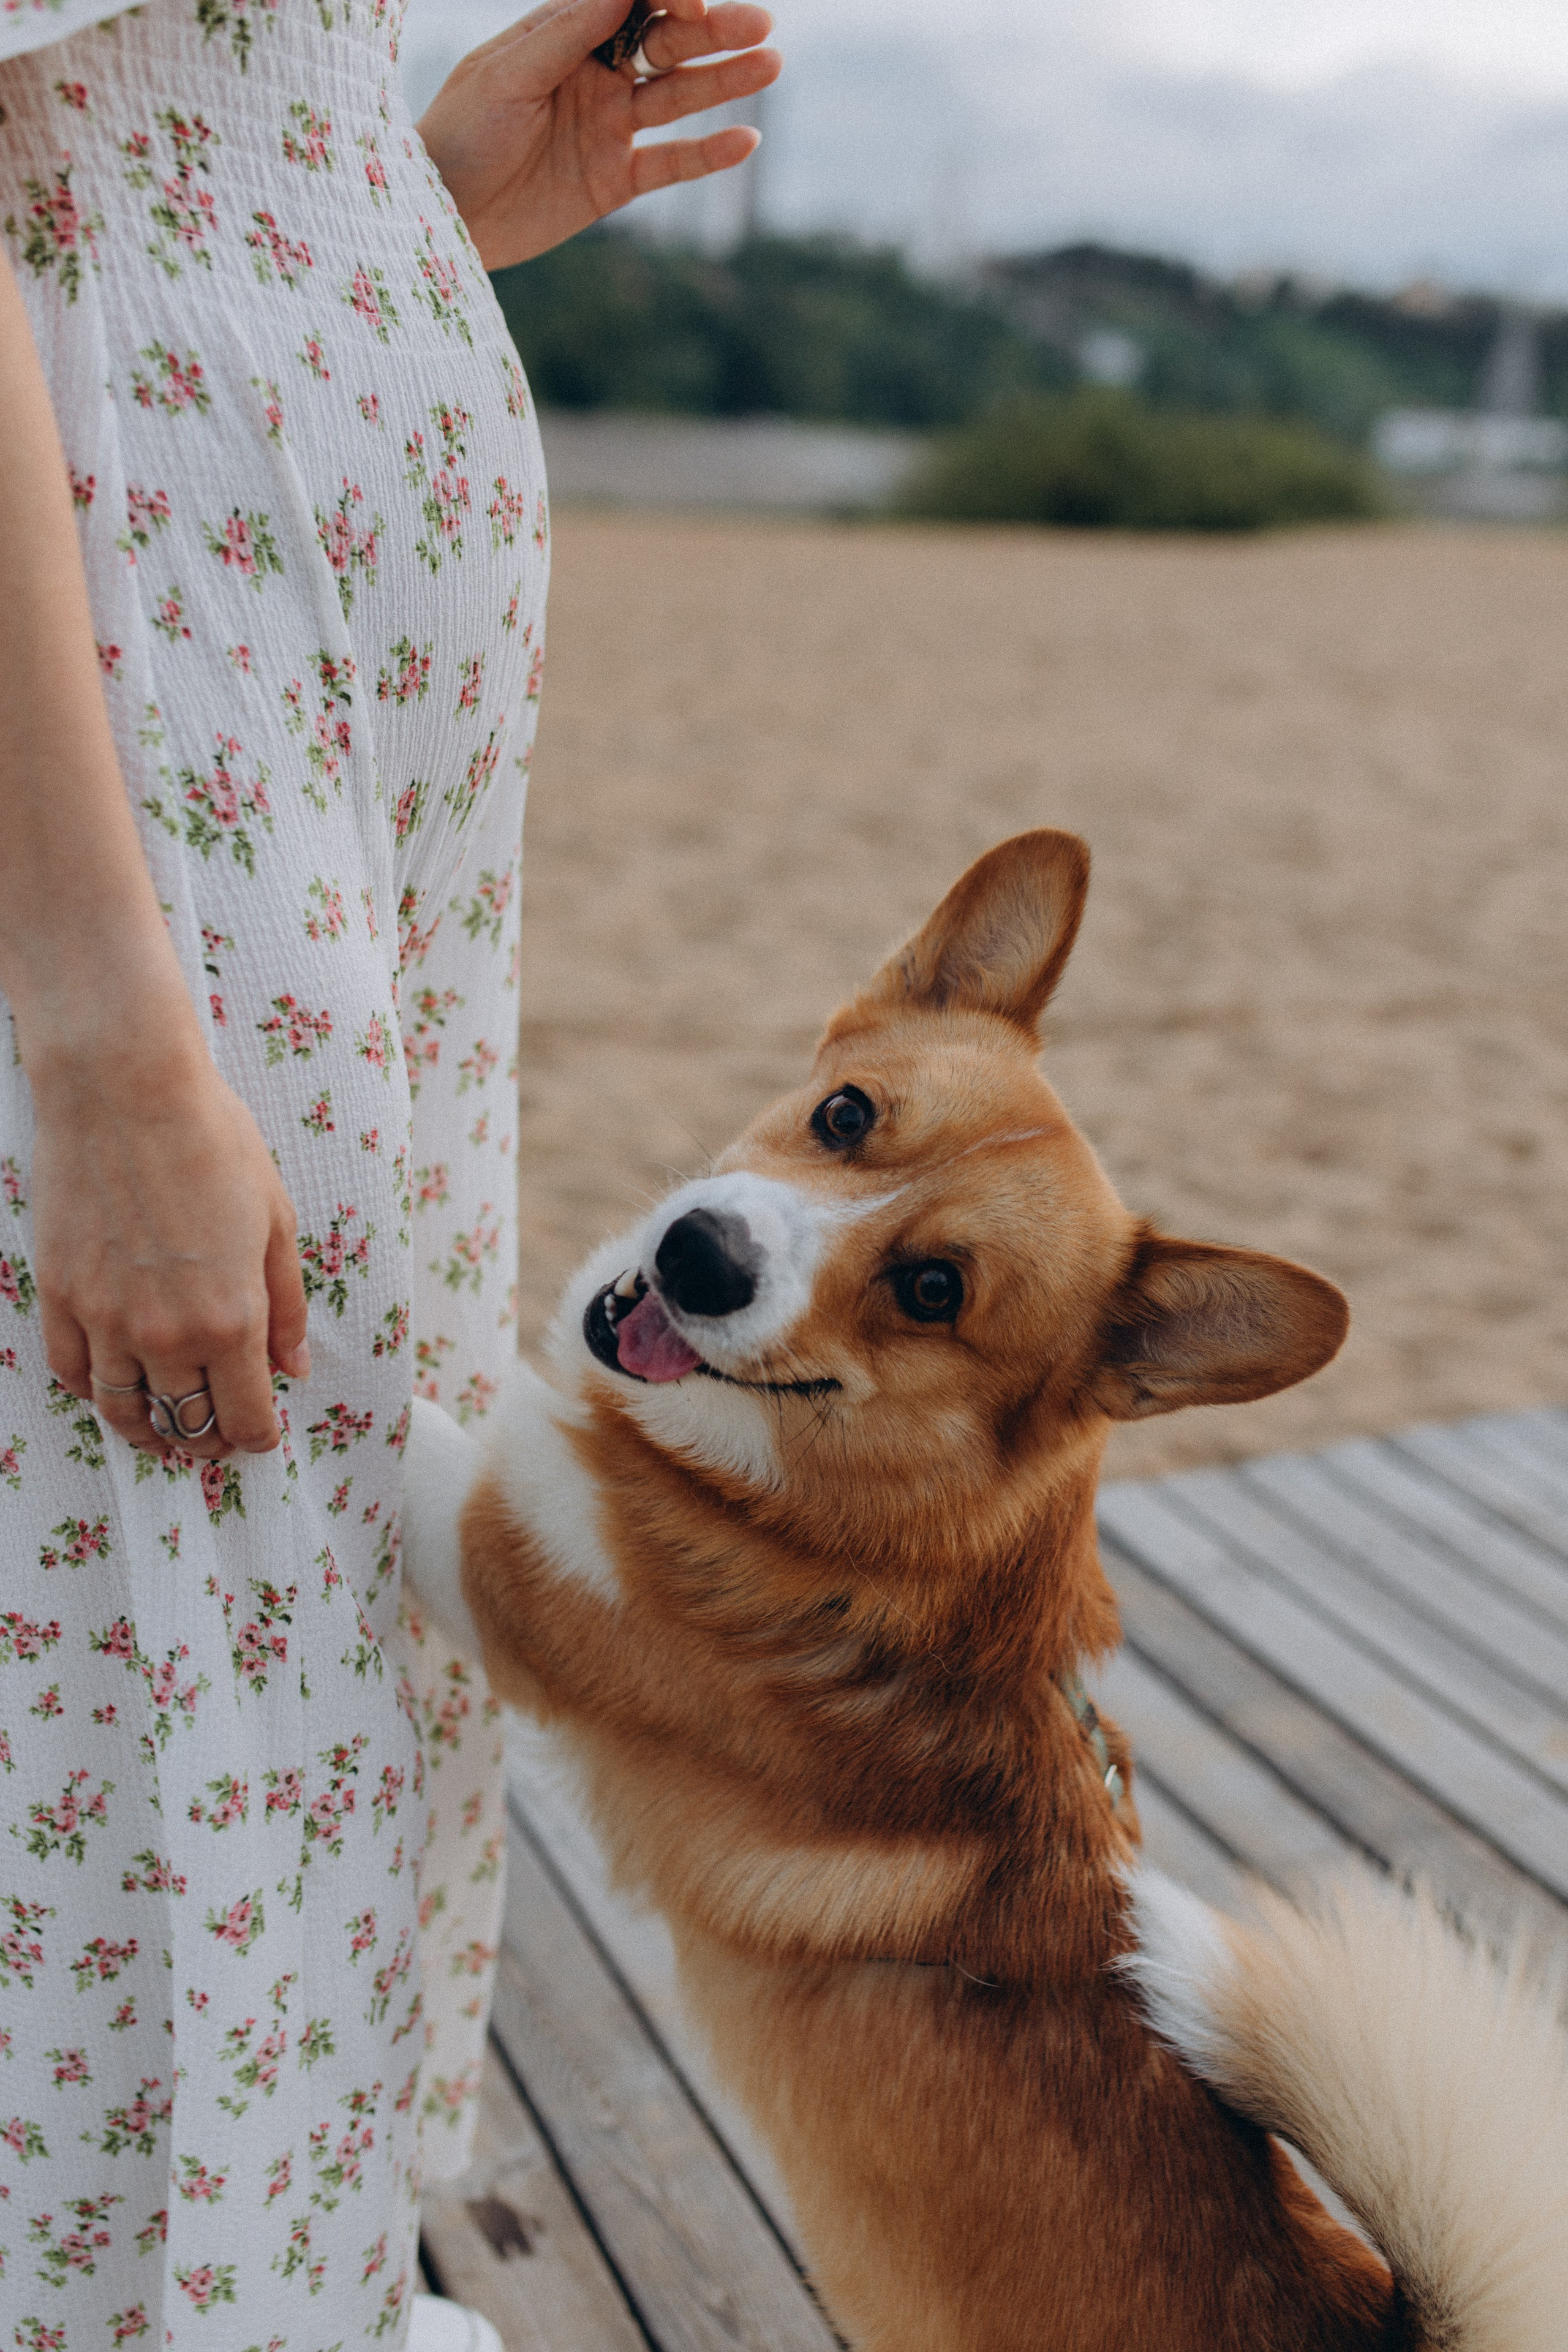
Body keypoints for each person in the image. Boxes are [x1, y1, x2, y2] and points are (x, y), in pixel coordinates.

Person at [0, 1, 778, 2346]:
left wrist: (379, 208)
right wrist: (109, 1031)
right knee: (149, 1550)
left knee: (320, 1558)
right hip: (136, 690)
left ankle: (247, 2283)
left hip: (307, 681)